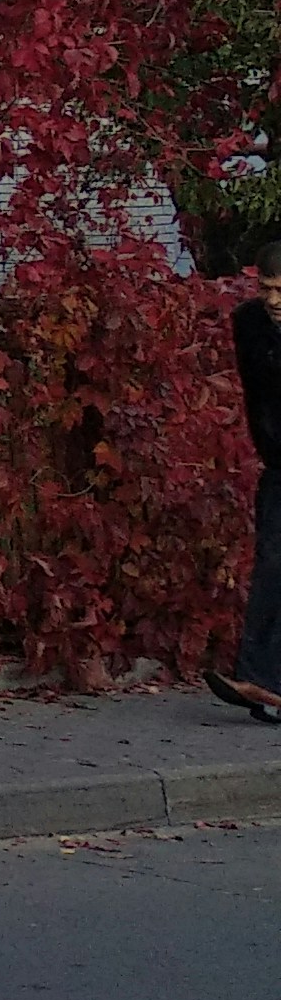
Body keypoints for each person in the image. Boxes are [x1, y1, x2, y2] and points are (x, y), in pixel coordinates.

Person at [211, 246, 281, 724]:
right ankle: (263, 681)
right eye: (267, 288)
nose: (273, 298)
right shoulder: (250, 324)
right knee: (273, 566)